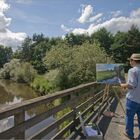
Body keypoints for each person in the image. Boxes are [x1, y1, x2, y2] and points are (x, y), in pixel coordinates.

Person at [121, 53, 140, 140]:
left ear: (133, 61)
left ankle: (130, 134)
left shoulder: (132, 70)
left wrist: (123, 85)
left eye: (130, 60)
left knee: (129, 116)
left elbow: (132, 85)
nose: (129, 62)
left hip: (133, 99)